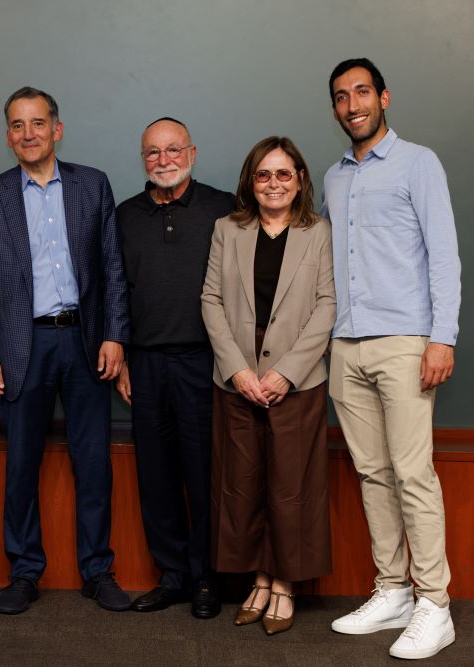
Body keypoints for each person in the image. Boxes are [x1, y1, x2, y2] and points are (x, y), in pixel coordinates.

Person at [0, 87, 130, 615]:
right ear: (7, 134)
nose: (28, 134)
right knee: (20, 466)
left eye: (38, 123)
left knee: (93, 464)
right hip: (21, 346)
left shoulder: (92, 185)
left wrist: (116, 336)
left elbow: (112, 267)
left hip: (84, 342)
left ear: (57, 129)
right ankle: (24, 571)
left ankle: (98, 571)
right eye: (17, 125)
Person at [322, 58, 461, 660]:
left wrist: (443, 337)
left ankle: (436, 604)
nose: (352, 104)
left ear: (383, 97)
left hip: (405, 341)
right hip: (345, 344)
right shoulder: (332, 177)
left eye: (361, 92)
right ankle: (393, 590)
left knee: (412, 474)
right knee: (372, 474)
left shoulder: (418, 162)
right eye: (340, 97)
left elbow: (444, 255)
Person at [201, 136, 335, 635]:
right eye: (264, 175)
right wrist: (238, 369)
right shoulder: (226, 230)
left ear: (300, 178)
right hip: (237, 375)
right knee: (244, 482)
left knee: (290, 486)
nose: (274, 183)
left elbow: (328, 305)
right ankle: (258, 576)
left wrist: (288, 372)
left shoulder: (318, 232)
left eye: (284, 174)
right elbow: (210, 300)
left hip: (296, 379)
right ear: (250, 182)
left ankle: (284, 583)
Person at [115, 118, 234, 618]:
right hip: (143, 362)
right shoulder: (124, 215)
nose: (163, 160)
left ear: (192, 152)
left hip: (204, 362)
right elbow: (113, 288)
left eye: (173, 150)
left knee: (204, 472)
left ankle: (207, 577)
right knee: (155, 474)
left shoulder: (225, 208)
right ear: (143, 159)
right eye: (152, 153)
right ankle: (172, 576)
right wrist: (118, 350)